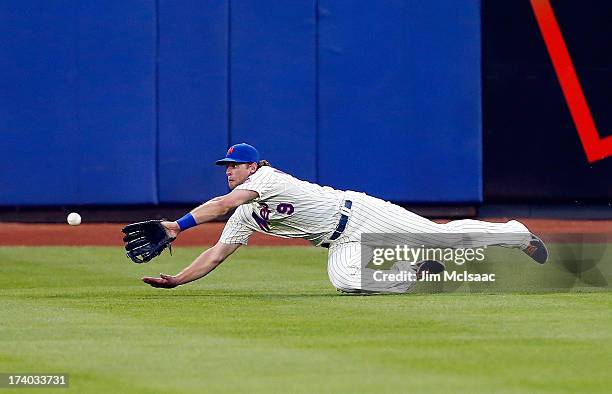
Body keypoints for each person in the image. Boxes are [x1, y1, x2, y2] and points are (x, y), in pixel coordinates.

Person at [141, 143, 548, 293]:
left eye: (234, 166)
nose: (229, 171)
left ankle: (515, 234)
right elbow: (215, 255)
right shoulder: (245, 213)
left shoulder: (266, 178)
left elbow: (220, 204)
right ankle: (414, 273)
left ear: (252, 167)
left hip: (358, 212)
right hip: (340, 240)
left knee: (437, 236)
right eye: (225, 167)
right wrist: (176, 280)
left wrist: (178, 226)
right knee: (347, 282)